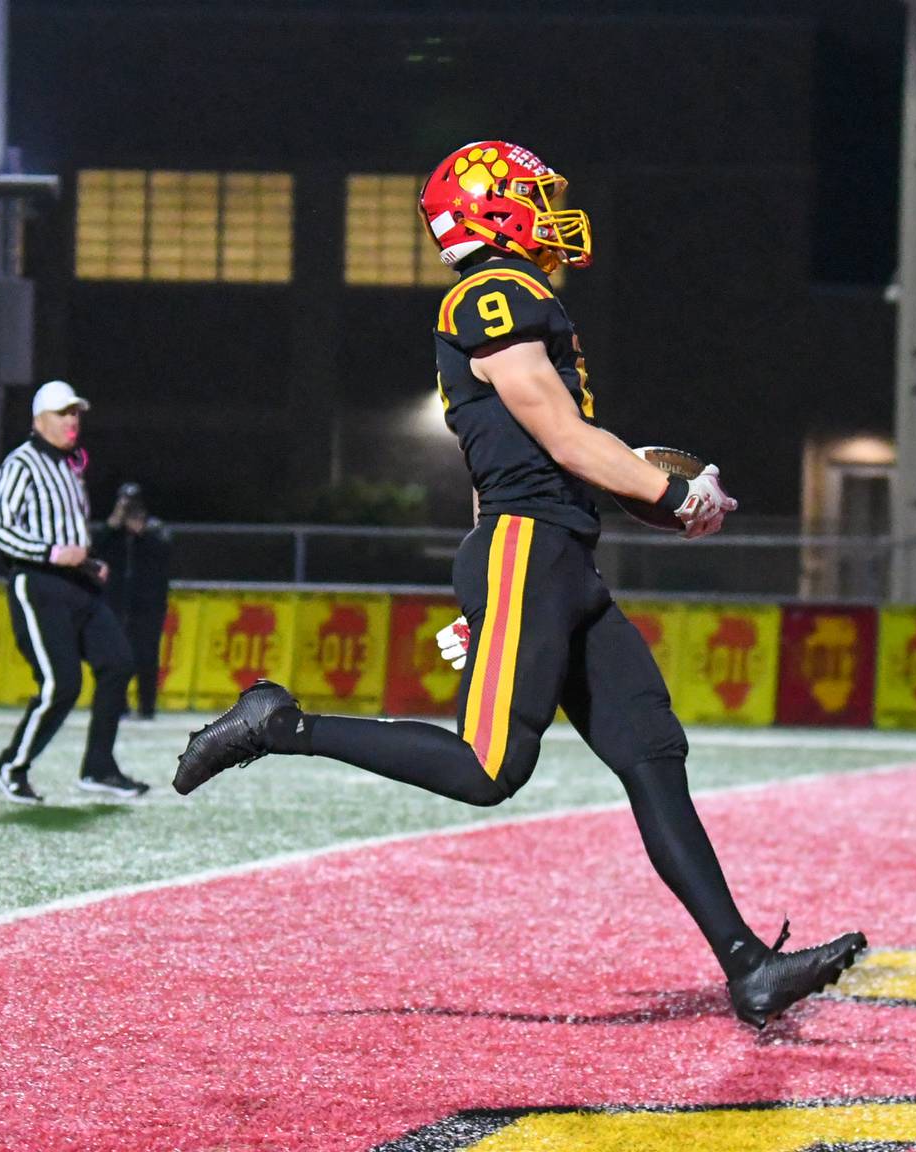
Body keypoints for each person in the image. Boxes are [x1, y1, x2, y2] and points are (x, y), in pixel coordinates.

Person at [174, 142, 864, 1028]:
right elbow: (568, 439)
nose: (550, 209)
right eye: (531, 195)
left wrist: (526, 568)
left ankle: (748, 966)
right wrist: (671, 493)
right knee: (490, 768)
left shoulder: (512, 299)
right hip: (530, 551)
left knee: (652, 750)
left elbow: (525, 453)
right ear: (489, 210)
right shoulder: (490, 293)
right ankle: (283, 723)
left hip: (555, 557)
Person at [0, 379, 150, 803]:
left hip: (77, 586)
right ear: (40, 419)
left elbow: (70, 536)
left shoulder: (70, 467)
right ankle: (12, 765)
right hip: (38, 583)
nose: (72, 420)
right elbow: (1, 529)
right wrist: (51, 552)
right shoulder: (21, 463)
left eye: (76, 412)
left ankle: (98, 767)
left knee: (118, 662)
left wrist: (90, 561)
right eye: (64, 413)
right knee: (61, 683)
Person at [94, 482, 173, 720]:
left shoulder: (154, 529)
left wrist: (142, 532)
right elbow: (94, 549)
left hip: (148, 604)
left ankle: (146, 707)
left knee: (147, 656)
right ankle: (118, 706)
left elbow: (165, 551)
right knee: (117, 657)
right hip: (117, 602)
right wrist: (112, 523)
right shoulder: (112, 531)